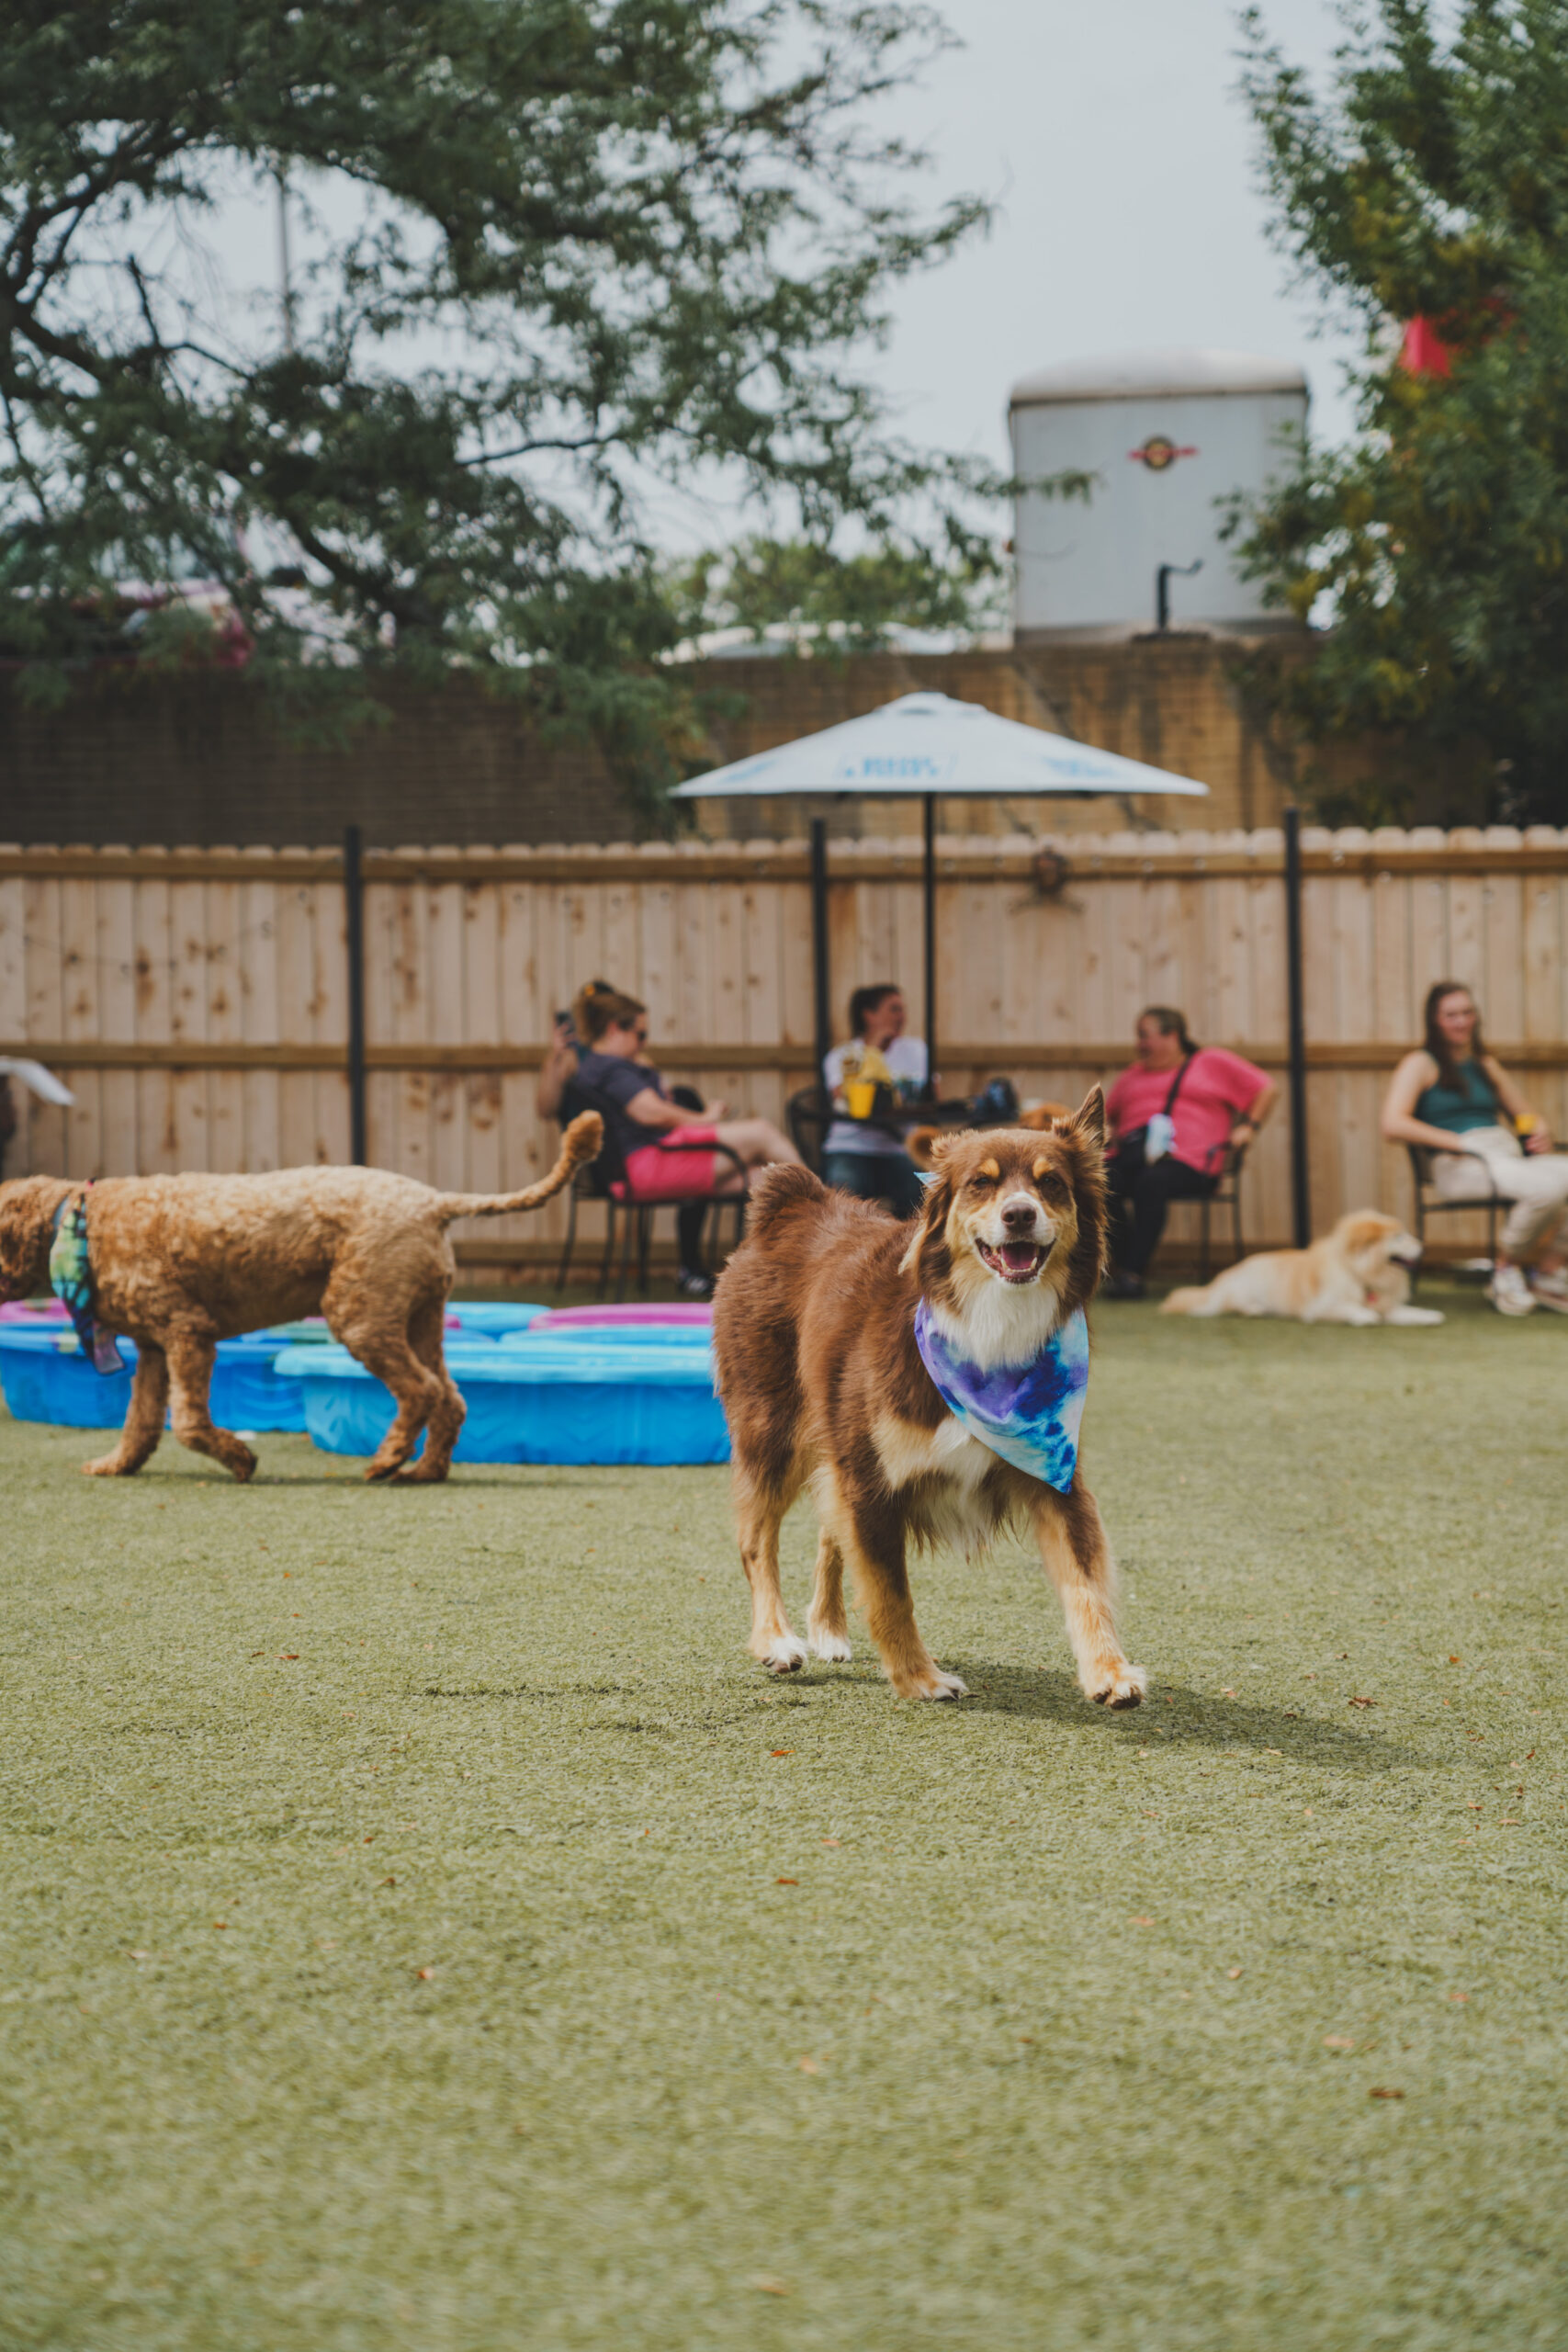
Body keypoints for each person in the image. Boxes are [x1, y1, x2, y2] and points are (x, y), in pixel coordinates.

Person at [570, 983, 801, 1297]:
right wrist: (704, 1119)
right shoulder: (611, 1068)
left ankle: (784, 1275)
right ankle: (830, 1218)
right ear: (615, 1029)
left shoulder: (598, 1067)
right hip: (647, 1165)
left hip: (641, 1165)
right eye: (640, 1035)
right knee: (761, 1132)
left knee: (767, 1178)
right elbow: (649, 1112)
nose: (643, 1043)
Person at [1381, 979, 1568, 1316]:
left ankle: (1549, 1273)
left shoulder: (1484, 1063)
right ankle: (1506, 1270)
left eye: (1467, 1013)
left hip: (1503, 1153)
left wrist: (1538, 1129)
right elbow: (1392, 1124)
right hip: (1457, 1162)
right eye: (1451, 1015)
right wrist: (1459, 1142)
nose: (1461, 1021)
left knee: (1559, 1176)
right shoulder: (1420, 1063)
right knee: (1548, 1188)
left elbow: (1523, 1113)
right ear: (1434, 1020)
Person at [1102, 1007, 1276, 1298]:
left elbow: (1267, 1088)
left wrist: (1250, 1127)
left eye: (1145, 1036)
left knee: (1152, 1181)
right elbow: (1107, 1116)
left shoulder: (1210, 1063)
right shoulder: (1132, 1075)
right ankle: (1125, 1267)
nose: (1139, 1044)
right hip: (1134, 1158)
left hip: (1192, 1164)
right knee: (1098, 1182)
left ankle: (1131, 1273)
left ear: (1172, 1036)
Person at [821, 983, 930, 1216]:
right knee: (842, 1196)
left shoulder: (916, 1050)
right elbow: (843, 1097)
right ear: (869, 1015)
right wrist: (872, 1052)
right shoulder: (842, 1055)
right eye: (894, 1009)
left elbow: (929, 1095)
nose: (902, 1016)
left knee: (922, 1193)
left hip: (897, 1148)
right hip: (850, 1147)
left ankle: (909, 1250)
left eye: (902, 1009)